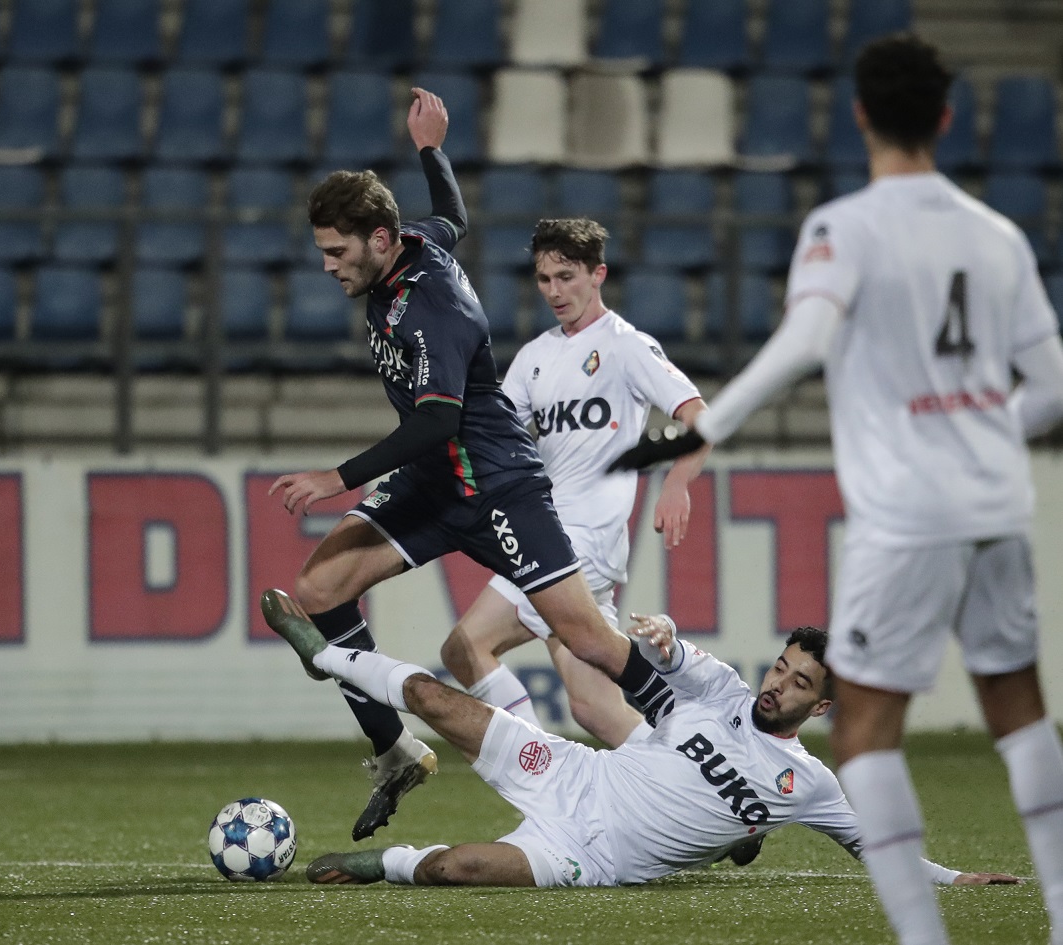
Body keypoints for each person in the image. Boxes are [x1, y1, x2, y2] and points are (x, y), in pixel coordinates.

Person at [610, 35, 1063, 945]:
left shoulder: (843, 228)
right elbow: (1050, 386)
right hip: (997, 503)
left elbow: (807, 338)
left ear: (858, 115)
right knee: (1020, 716)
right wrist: (977, 433)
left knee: (863, 736)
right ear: (945, 118)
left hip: (907, 516)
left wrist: (707, 426)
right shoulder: (999, 235)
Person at [269, 90, 676, 841]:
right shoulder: (416, 243)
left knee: (586, 641)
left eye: (336, 252)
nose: (327, 266)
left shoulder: (434, 307)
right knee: (320, 585)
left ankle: (697, 743)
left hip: (495, 484)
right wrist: (432, 149)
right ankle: (394, 749)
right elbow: (454, 213)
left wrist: (340, 476)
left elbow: (437, 419)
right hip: (434, 480)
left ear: (381, 239)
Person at [260, 588, 1018, 890]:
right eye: (781, 666)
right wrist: (662, 634)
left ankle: (375, 864)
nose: (776, 683)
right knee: (432, 695)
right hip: (570, 776)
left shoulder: (810, 784)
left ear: (819, 706)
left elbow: (875, 849)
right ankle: (322, 653)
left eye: (795, 683)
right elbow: (670, 657)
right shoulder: (722, 688)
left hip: (589, 857)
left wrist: (955, 882)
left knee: (458, 867)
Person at [441, 218, 708, 750]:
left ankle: (541, 773)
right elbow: (496, 434)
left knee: (467, 647)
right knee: (594, 707)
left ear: (598, 274)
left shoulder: (626, 346)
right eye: (544, 279)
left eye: (567, 276)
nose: (555, 291)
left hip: (579, 539)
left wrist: (678, 482)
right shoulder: (536, 357)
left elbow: (699, 415)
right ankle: (702, 788)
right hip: (557, 536)